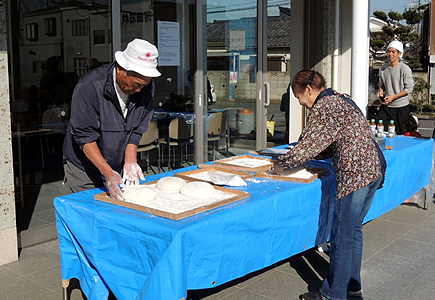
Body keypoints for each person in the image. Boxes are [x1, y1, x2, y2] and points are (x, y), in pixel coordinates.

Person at [273, 70, 386, 300]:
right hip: (373, 168)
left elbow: (308, 146)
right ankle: (353, 288)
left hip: (356, 173)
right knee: (353, 230)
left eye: (299, 98)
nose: (302, 104)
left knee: (342, 235)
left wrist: (282, 164)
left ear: (308, 89)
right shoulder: (339, 98)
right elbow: (330, 140)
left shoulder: (324, 107)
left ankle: (334, 294)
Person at [63, 39, 161, 200]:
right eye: (136, 84)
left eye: (143, 86)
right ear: (121, 69)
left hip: (116, 161)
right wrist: (107, 172)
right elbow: (84, 137)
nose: (138, 90)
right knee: (91, 213)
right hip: (84, 166)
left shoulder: (146, 86)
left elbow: (137, 129)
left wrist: (130, 161)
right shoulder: (90, 87)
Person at [377, 40, 414, 135]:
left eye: (393, 52)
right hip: (387, 106)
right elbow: (382, 84)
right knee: (384, 132)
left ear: (399, 54)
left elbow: (409, 88)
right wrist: (381, 92)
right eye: (389, 51)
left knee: (402, 134)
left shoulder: (404, 69)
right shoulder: (383, 69)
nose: (390, 54)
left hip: (401, 107)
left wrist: (394, 97)